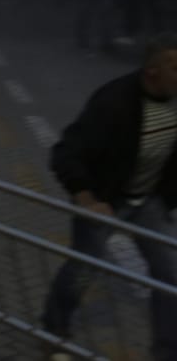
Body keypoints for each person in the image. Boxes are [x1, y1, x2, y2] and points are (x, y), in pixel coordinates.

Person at [44, 34, 177, 359]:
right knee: (83, 269)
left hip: (148, 201)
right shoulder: (114, 102)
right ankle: (53, 327)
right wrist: (87, 199)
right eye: (176, 67)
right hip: (106, 199)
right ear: (151, 71)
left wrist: (167, 198)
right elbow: (66, 152)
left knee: (171, 276)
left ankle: (167, 351)